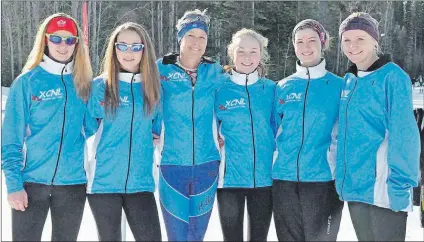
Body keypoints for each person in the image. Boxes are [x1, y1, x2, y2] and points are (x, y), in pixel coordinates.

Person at [1, 13, 92, 241]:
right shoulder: (27, 82)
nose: (63, 45)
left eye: (70, 39)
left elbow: (95, 130)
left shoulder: (84, 85)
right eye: (57, 39)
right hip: (31, 185)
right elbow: (11, 139)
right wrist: (13, 185)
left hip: (72, 186)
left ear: (77, 44)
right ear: (45, 40)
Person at [336, 12, 420, 241]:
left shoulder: (392, 77)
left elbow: (405, 135)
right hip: (355, 187)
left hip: (384, 189)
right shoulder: (350, 80)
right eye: (346, 40)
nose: (352, 46)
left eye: (360, 39)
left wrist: (400, 184)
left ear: (375, 41)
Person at [85, 22, 162, 241]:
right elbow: (84, 131)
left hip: (142, 183)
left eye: (136, 47)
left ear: (144, 50)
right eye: (123, 46)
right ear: (114, 49)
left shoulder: (153, 89)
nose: (129, 52)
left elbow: (158, 130)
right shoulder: (99, 87)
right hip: (103, 184)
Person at [155, 9, 225, 241]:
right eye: (190, 36)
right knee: (176, 234)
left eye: (202, 37)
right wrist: (151, 131)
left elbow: (234, 100)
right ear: (180, 38)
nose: (196, 43)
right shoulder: (160, 69)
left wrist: (224, 133)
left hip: (207, 165)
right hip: (171, 165)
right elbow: (145, 98)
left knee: (197, 234)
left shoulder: (215, 71)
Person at [272, 19, 344, 241]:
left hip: (323, 181)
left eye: (312, 40)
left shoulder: (340, 86)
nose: (306, 46)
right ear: (293, 45)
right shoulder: (282, 87)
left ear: (322, 43)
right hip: (283, 181)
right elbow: (269, 132)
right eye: (299, 41)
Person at [214, 28, 275, 241]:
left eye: (253, 51)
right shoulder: (219, 88)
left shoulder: (272, 89)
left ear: (261, 55)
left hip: (264, 179)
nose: (247, 57)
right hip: (229, 180)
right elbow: (205, 124)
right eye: (241, 51)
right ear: (232, 53)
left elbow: (281, 129)